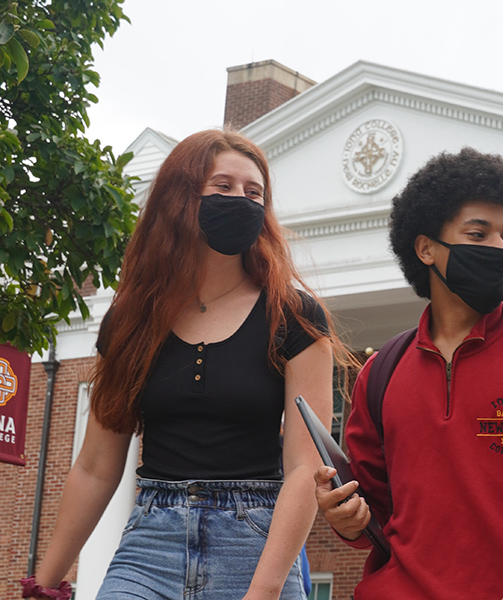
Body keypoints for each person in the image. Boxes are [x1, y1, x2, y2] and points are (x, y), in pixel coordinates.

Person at [24, 130, 351, 600]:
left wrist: (265, 590)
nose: (241, 199)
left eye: (254, 192)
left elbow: (304, 468)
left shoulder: (294, 316)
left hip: (253, 541)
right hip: (149, 542)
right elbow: (96, 466)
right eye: (223, 187)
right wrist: (42, 585)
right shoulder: (131, 319)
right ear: (180, 198)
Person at [314, 147, 503, 600]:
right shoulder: (380, 372)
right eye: (479, 233)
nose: (500, 248)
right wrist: (344, 517)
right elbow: (372, 519)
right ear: (426, 249)